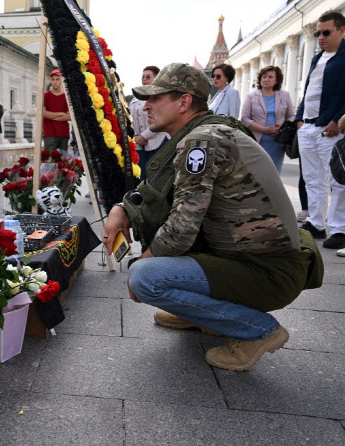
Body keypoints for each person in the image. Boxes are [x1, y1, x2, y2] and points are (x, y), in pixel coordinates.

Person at [103, 63, 318, 372]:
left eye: (156, 98)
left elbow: (181, 229)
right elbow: (158, 193)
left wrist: (142, 263)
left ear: (184, 102)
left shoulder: (201, 141)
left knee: (146, 277)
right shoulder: (205, 131)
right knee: (159, 261)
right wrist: (120, 209)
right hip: (251, 261)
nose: (146, 106)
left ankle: (258, 330)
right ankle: (198, 314)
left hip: (267, 273)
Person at [295, 10, 345, 249]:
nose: (321, 37)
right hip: (308, 125)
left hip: (331, 127)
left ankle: (339, 229)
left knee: (337, 179)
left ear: (341, 30)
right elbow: (309, 92)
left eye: (327, 32)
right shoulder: (317, 58)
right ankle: (316, 223)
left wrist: (337, 119)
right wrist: (298, 119)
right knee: (312, 179)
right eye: (318, 33)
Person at [241, 66, 295, 173]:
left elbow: (292, 116)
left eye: (270, 77)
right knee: (257, 173)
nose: (266, 79)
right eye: (264, 77)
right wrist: (263, 129)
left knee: (274, 173)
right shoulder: (251, 96)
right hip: (257, 141)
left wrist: (283, 126)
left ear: (276, 81)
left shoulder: (285, 95)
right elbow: (244, 118)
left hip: (277, 142)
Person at [129, 65, 170, 179]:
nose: (144, 80)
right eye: (143, 77)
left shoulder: (162, 97)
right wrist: (135, 136)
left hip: (158, 142)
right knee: (142, 177)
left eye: (148, 77)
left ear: (156, 79)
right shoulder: (134, 99)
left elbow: (161, 120)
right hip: (140, 146)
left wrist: (144, 136)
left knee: (157, 177)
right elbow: (131, 120)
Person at [42, 68, 71, 152]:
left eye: (57, 79)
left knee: (63, 161)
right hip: (50, 133)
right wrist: (61, 113)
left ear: (61, 81)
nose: (55, 81)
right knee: (49, 161)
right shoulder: (46, 96)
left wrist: (51, 116)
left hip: (63, 132)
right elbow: (43, 114)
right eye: (53, 79)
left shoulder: (65, 97)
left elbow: (70, 116)